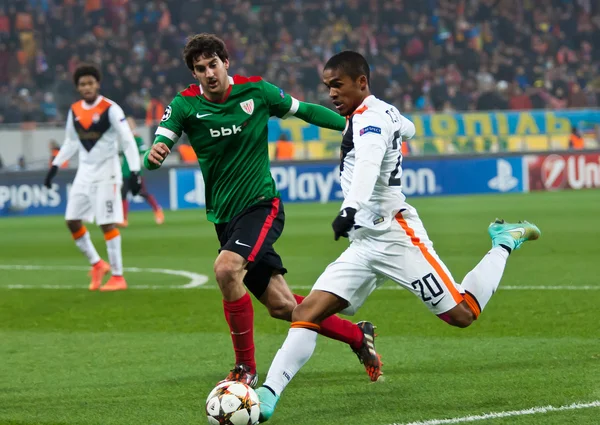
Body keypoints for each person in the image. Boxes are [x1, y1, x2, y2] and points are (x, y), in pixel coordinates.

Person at [256, 51, 542, 421]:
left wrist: (349, 209)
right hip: (364, 243)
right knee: (306, 312)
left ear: (361, 82)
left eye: (337, 85)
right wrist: (398, 127)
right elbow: (409, 127)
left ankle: (503, 240)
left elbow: (371, 163)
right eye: (327, 87)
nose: (331, 94)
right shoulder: (379, 112)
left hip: (396, 235)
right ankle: (268, 394)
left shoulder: (369, 121)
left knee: (463, 314)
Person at [144, 34, 381, 387]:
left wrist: (352, 123)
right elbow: (164, 136)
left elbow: (306, 111)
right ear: (194, 74)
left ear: (226, 63)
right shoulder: (185, 105)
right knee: (284, 307)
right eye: (200, 68)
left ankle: (245, 368)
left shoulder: (257, 92)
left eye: (213, 64)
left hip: (261, 205)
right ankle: (357, 336)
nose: (208, 73)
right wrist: (157, 152)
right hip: (224, 218)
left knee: (226, 269)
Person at [44, 64, 143, 292]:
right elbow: (70, 142)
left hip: (107, 173)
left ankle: (118, 276)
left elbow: (127, 141)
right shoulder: (75, 110)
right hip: (84, 174)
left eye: (90, 83)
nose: (87, 87)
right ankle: (98, 264)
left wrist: (135, 172)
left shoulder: (111, 109)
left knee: (106, 223)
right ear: (78, 88)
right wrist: (55, 166)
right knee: (72, 220)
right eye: (82, 84)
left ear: (97, 84)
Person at [120, 117, 164, 227]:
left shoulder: (137, 139)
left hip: (135, 170)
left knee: (142, 192)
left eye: (130, 124)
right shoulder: (123, 138)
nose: (129, 126)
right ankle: (124, 219)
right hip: (125, 171)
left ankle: (157, 209)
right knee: (123, 194)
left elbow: (144, 150)